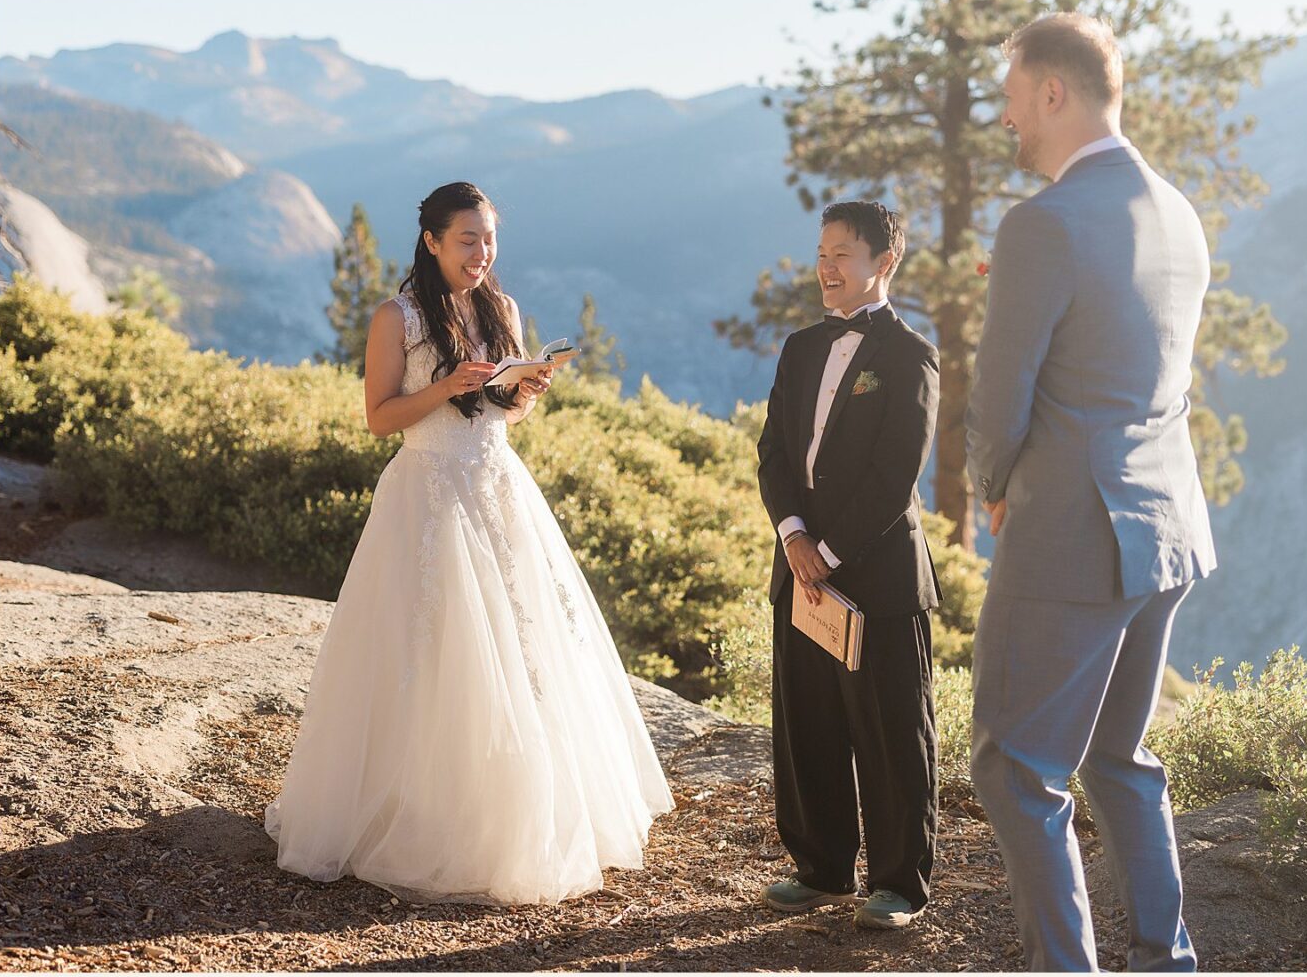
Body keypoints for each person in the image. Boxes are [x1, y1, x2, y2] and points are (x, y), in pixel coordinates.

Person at [266, 181, 673, 904]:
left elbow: (501, 416)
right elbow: (381, 418)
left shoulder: (502, 309)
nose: (482, 254)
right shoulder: (397, 317)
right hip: (425, 495)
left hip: (499, 489)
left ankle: (521, 808)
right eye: (467, 240)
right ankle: (417, 814)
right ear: (431, 242)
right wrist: (447, 383)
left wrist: (522, 395)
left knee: (523, 648)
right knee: (431, 649)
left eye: (489, 239)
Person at [965, 13, 1217, 971]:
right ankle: (1165, 958)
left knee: (1018, 768)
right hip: (1167, 531)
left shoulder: (1043, 223)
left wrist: (995, 489)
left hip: (1071, 537)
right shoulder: (1178, 213)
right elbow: (1162, 379)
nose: (1005, 120)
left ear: (1053, 93)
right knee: (1118, 758)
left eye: (1012, 98)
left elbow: (1000, 395)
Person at [755, 200, 942, 930]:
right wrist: (795, 538)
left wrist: (828, 553)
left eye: (843, 255)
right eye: (822, 252)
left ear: (883, 263)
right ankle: (822, 866)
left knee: (894, 732)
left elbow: (896, 476)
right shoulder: (800, 347)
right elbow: (773, 451)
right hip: (800, 571)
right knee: (808, 725)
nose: (827, 268)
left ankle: (898, 883)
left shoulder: (910, 355)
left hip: (880, 578)